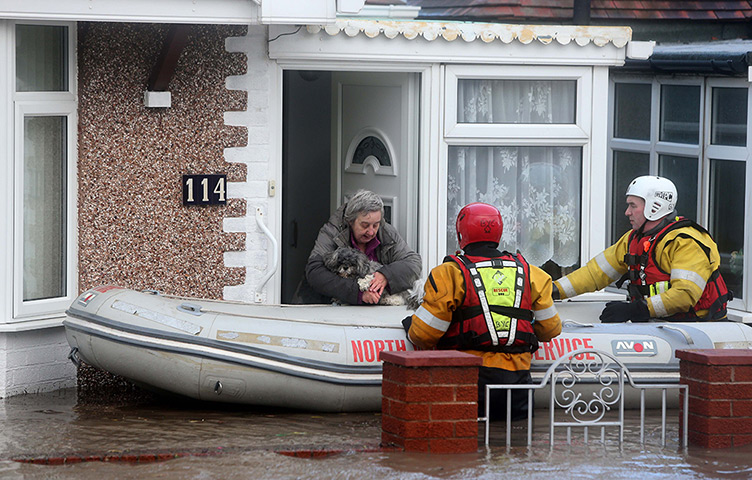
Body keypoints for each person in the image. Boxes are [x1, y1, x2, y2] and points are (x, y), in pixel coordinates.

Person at [404, 202, 561, 420]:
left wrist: (411, 324)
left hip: (469, 383)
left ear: (461, 234)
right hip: (519, 386)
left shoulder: (449, 273)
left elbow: (422, 335)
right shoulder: (532, 273)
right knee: (515, 445)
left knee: (469, 448)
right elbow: (550, 329)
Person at [553, 175, 731, 322]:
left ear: (655, 207)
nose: (627, 212)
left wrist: (637, 309)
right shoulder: (634, 238)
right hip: (657, 322)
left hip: (698, 327)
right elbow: (594, 274)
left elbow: (684, 295)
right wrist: (553, 290)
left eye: (633, 206)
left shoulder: (686, 242)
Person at [295, 189, 421, 305]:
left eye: (375, 225)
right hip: (327, 306)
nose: (371, 232)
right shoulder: (332, 231)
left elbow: (413, 262)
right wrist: (358, 292)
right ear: (350, 221)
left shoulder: (386, 231)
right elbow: (314, 271)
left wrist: (386, 275)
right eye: (365, 225)